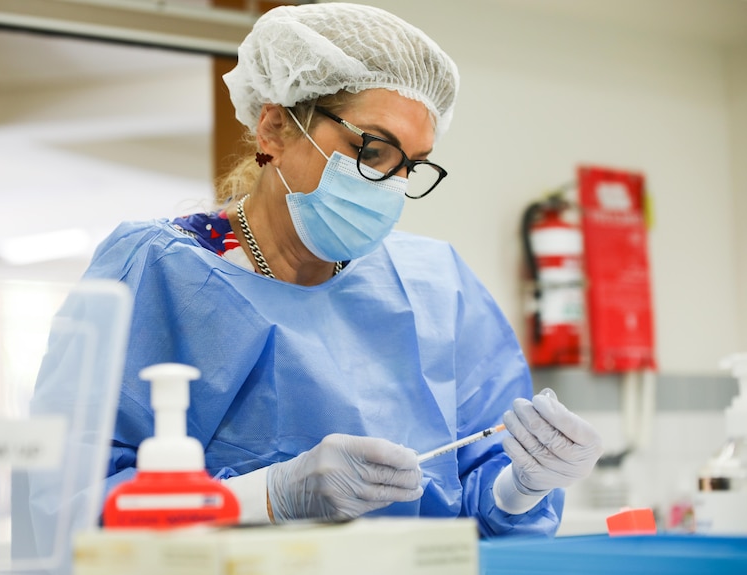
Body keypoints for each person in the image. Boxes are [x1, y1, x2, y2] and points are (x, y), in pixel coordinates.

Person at [83, 2, 603, 537]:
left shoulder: (435, 285)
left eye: (410, 165)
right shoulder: (160, 272)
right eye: (371, 149)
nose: (388, 184)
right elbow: (76, 499)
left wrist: (524, 485)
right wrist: (267, 495)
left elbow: (479, 503)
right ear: (275, 128)